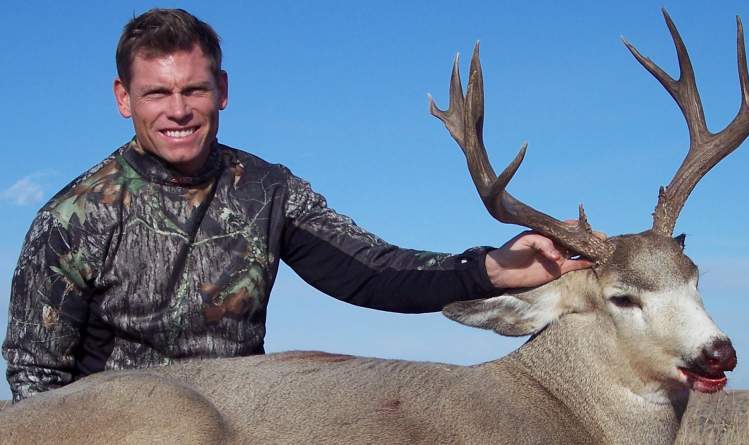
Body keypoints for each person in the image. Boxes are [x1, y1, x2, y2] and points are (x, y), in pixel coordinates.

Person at [2, 9, 595, 403]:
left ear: (223, 91)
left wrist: (496, 267)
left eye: (194, 89)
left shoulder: (266, 190)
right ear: (123, 99)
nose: (177, 110)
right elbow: (34, 378)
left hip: (243, 424)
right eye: (157, 92)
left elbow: (372, 272)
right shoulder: (73, 217)